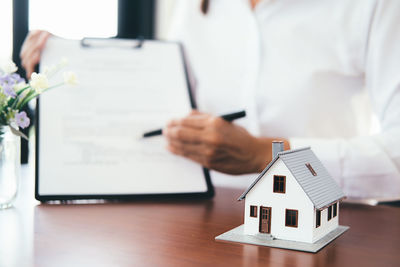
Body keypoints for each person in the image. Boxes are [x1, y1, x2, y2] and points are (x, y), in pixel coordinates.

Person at [21, 0, 400, 202]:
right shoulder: (195, 6)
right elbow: (159, 108)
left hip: (326, 223)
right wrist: (69, 61)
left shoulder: (372, 5)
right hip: (202, 221)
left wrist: (266, 156)